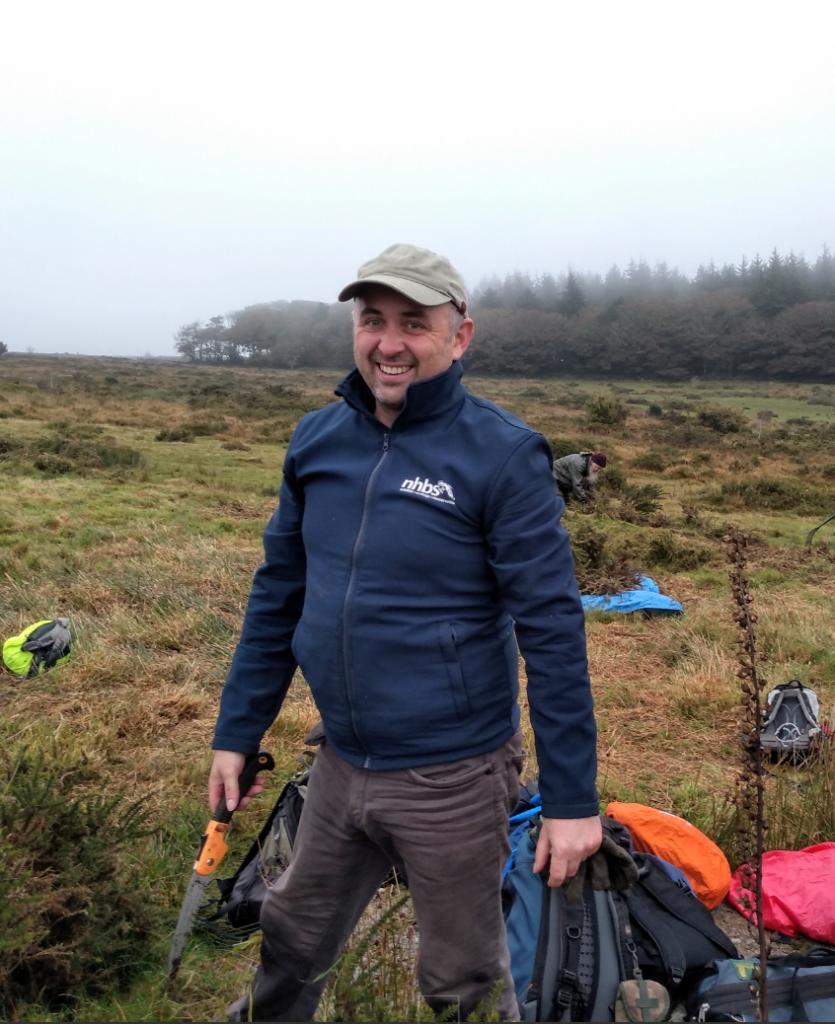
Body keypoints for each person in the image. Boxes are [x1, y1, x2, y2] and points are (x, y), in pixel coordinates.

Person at [208, 243, 601, 1022]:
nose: (388, 342)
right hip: (340, 760)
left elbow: (552, 630)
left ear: (459, 337)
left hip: (451, 776)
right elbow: (278, 592)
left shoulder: (501, 453)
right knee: (290, 935)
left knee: (463, 979)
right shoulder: (316, 441)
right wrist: (237, 729)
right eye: (372, 319)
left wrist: (572, 799)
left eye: (413, 323)